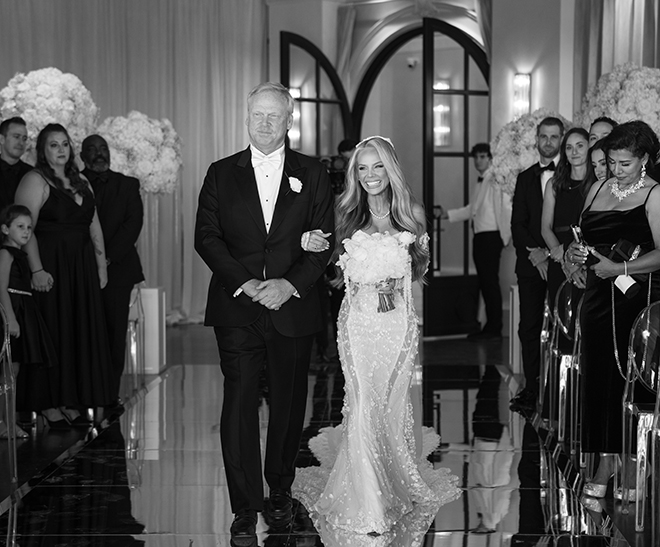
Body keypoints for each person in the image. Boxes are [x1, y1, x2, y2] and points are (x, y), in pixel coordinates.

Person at [292, 136, 460, 543]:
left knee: (391, 400)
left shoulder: (411, 212)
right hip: (358, 320)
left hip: (398, 321)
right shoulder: (346, 212)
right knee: (364, 400)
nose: (369, 176)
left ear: (390, 169)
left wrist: (398, 268)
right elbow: (330, 260)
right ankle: (366, 496)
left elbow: (421, 267)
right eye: (362, 168)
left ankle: (393, 477)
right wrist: (309, 243)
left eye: (377, 167)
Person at [194, 82, 334, 544]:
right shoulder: (219, 173)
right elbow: (207, 237)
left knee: (290, 404)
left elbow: (323, 241)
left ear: (290, 120)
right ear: (247, 117)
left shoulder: (313, 173)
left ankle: (279, 491)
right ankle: (243, 506)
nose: (266, 123)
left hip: (291, 308)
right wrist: (247, 283)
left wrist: (289, 285)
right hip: (237, 308)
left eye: (275, 116)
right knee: (238, 405)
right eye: (259, 115)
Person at [567, 121, 660, 500]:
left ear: (645, 160)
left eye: (624, 164)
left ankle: (638, 463)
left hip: (636, 299)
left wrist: (619, 269)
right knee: (597, 381)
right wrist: (575, 255)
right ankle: (606, 460)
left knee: (628, 380)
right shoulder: (598, 188)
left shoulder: (655, 195)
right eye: (611, 162)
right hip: (596, 298)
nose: (616, 171)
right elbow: (585, 238)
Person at [14, 123, 114, 429]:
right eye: (53, 145)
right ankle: (48, 404)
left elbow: (93, 225)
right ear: (42, 150)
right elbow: (24, 227)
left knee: (76, 332)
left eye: (64, 144)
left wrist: (100, 267)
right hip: (51, 267)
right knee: (54, 333)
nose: (60, 150)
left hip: (81, 269)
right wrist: (36, 269)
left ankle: (71, 399)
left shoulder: (81, 180)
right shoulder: (34, 179)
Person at [81, 134, 145, 418]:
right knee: (82, 334)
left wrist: (106, 259)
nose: (98, 154)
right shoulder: (72, 183)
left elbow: (133, 225)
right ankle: (82, 393)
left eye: (102, 149)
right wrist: (90, 261)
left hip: (118, 269)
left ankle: (109, 393)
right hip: (80, 269)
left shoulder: (128, 184)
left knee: (114, 333)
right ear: (82, 156)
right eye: (92, 150)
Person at [510, 117, 564, 415]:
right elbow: (517, 224)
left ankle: (558, 391)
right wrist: (537, 253)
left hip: (562, 263)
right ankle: (532, 389)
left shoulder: (572, 177)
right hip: (531, 264)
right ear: (536, 139)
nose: (548, 142)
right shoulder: (525, 177)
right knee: (529, 327)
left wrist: (551, 253)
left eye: (554, 137)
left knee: (560, 328)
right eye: (543, 136)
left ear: (561, 139)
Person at [439, 143, 511, 339]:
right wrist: (446, 214)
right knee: (486, 282)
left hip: (491, 236)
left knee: (489, 283)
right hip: (481, 236)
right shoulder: (481, 181)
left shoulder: (495, 179)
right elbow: (473, 209)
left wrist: (505, 235)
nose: (478, 160)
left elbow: (506, 208)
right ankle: (490, 326)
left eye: (482, 156)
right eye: (476, 157)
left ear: (490, 158)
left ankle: (494, 328)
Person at [0, 205, 57, 438]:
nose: (26, 232)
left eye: (29, 228)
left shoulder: (20, 255)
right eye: (20, 227)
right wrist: (10, 319)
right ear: (5, 229)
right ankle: (5, 423)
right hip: (12, 311)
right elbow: (1, 287)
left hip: (23, 309)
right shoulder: (6, 254)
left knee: (13, 371)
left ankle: (8, 421)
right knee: (8, 371)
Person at [540, 128, 589, 306]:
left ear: (589, 148)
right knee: (562, 319)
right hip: (558, 255)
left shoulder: (598, 184)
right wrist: (564, 261)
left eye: (579, 146)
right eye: (569, 147)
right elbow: (545, 228)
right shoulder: (554, 184)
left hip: (585, 258)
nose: (574, 152)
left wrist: (576, 261)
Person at [0, 117, 31, 211]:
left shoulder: (32, 174)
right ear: (1, 139)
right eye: (16, 137)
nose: (21, 143)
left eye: (24, 138)